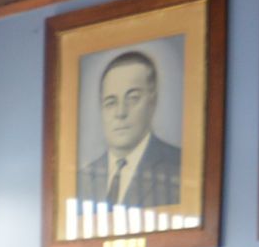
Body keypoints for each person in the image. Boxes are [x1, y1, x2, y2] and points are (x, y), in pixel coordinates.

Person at [76, 50, 182, 210]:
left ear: (152, 101)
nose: (120, 113)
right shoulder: (81, 179)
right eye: (110, 102)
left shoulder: (179, 169)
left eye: (133, 98)